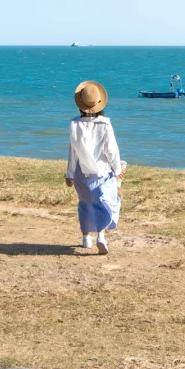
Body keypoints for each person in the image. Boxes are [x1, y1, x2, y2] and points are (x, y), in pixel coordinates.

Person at [65, 80, 127, 254]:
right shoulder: (105, 124)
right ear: (99, 104)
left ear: (80, 104)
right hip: (102, 173)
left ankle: (86, 238)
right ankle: (100, 235)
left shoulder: (74, 124)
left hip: (80, 173)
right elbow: (111, 150)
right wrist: (117, 169)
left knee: (85, 203)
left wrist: (69, 174)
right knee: (105, 203)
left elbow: (73, 151)